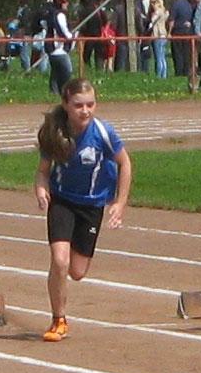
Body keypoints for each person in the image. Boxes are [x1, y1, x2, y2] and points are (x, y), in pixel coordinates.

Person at [34, 78, 132, 342]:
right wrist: (41, 189)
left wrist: (120, 202)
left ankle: (62, 275)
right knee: (60, 260)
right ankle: (59, 320)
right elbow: (42, 172)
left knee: (77, 272)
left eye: (90, 104)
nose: (85, 111)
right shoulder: (55, 132)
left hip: (92, 204)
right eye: (78, 105)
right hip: (62, 200)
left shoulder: (103, 132)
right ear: (66, 104)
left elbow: (125, 163)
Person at [45, 0, 74, 95]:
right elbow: (63, 30)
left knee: (55, 72)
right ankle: (65, 92)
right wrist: (70, 37)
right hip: (58, 48)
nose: (67, 4)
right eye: (65, 2)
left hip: (51, 47)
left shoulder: (50, 14)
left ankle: (54, 92)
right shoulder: (60, 15)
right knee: (67, 71)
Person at [168, 0, 193, 77]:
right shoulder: (188, 4)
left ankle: (179, 72)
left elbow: (172, 20)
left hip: (177, 32)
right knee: (186, 53)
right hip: (187, 32)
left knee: (177, 53)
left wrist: (169, 33)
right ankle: (186, 72)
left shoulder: (175, 5)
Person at [148, 0, 169, 79]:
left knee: (159, 56)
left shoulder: (157, 12)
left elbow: (152, 21)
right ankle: (164, 74)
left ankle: (159, 75)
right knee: (162, 56)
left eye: (153, 3)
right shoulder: (164, 12)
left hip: (158, 35)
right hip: (164, 34)